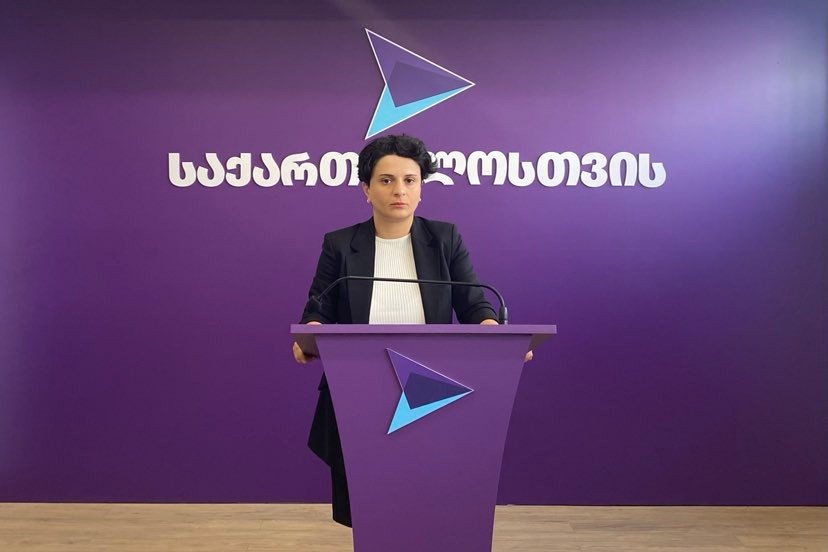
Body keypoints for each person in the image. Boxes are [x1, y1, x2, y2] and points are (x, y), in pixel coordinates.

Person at [291, 134, 527, 527]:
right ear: (366, 190)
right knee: (370, 507)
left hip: (430, 387)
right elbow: (318, 308)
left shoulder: (444, 239)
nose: (399, 190)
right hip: (357, 389)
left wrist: (499, 339)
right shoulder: (340, 244)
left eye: (410, 180)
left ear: (421, 188)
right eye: (386, 180)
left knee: (427, 502)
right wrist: (310, 337)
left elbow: (474, 305)